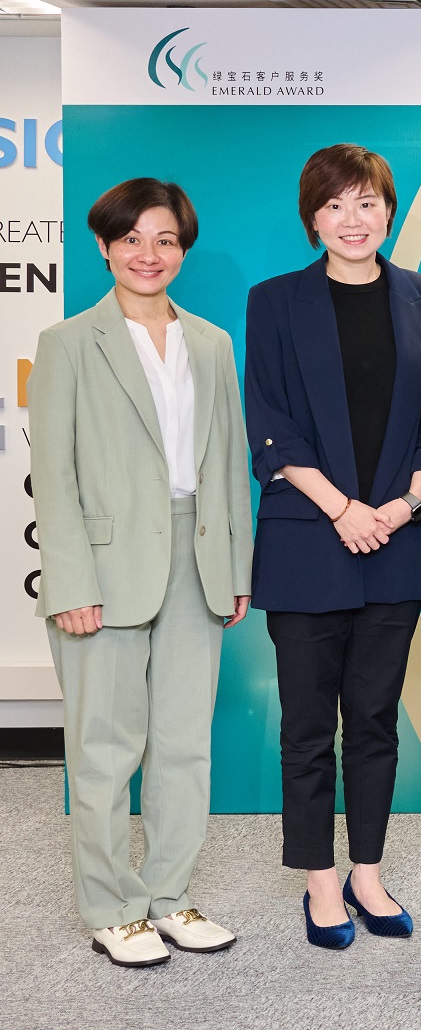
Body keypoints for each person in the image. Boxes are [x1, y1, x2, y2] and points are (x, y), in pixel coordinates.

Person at [31, 179, 253, 967]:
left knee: (185, 744)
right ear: (104, 245)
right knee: (104, 747)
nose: (147, 254)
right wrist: (70, 582)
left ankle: (167, 896)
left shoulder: (213, 343)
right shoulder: (67, 344)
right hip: (102, 564)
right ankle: (111, 906)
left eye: (163, 240)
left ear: (183, 248)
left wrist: (235, 564)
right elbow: (52, 475)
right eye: (131, 240)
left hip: (198, 559)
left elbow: (228, 461)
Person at [244, 144, 421, 949]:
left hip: (395, 538)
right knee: (306, 723)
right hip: (308, 540)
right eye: (335, 206)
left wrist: (400, 506)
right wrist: (342, 509)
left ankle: (368, 869)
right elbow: (270, 418)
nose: (352, 221)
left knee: (373, 719)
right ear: (312, 218)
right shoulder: (275, 302)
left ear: (389, 212)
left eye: (367, 204)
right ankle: (319, 882)